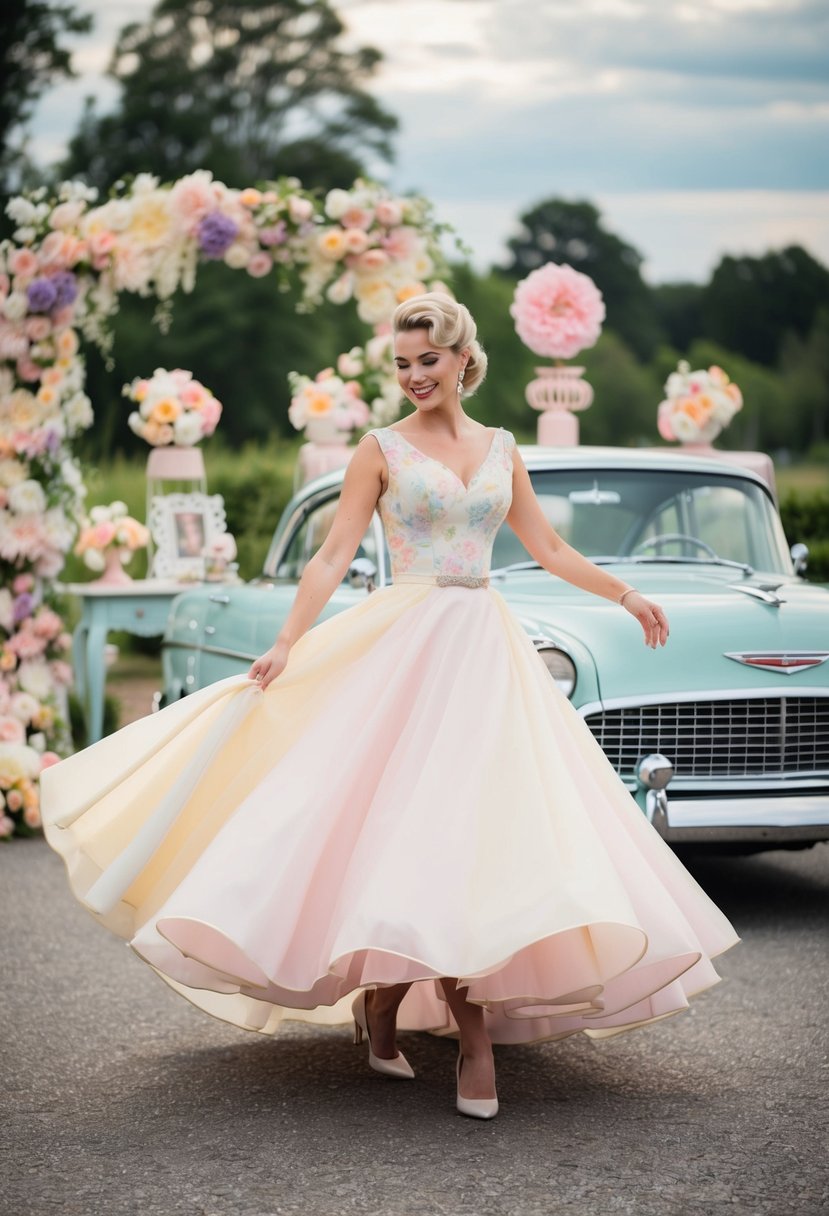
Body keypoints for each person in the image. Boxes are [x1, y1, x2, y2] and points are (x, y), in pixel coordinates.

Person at [42, 294, 740, 1122]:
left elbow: (548, 549)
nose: (412, 376)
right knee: (415, 830)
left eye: (427, 361)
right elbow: (333, 554)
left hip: (484, 649)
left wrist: (626, 593)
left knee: (476, 834)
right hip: (404, 643)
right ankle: (466, 1037)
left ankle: (388, 1006)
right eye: (402, 363)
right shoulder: (379, 451)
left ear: (461, 361)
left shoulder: (502, 449)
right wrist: (290, 641)